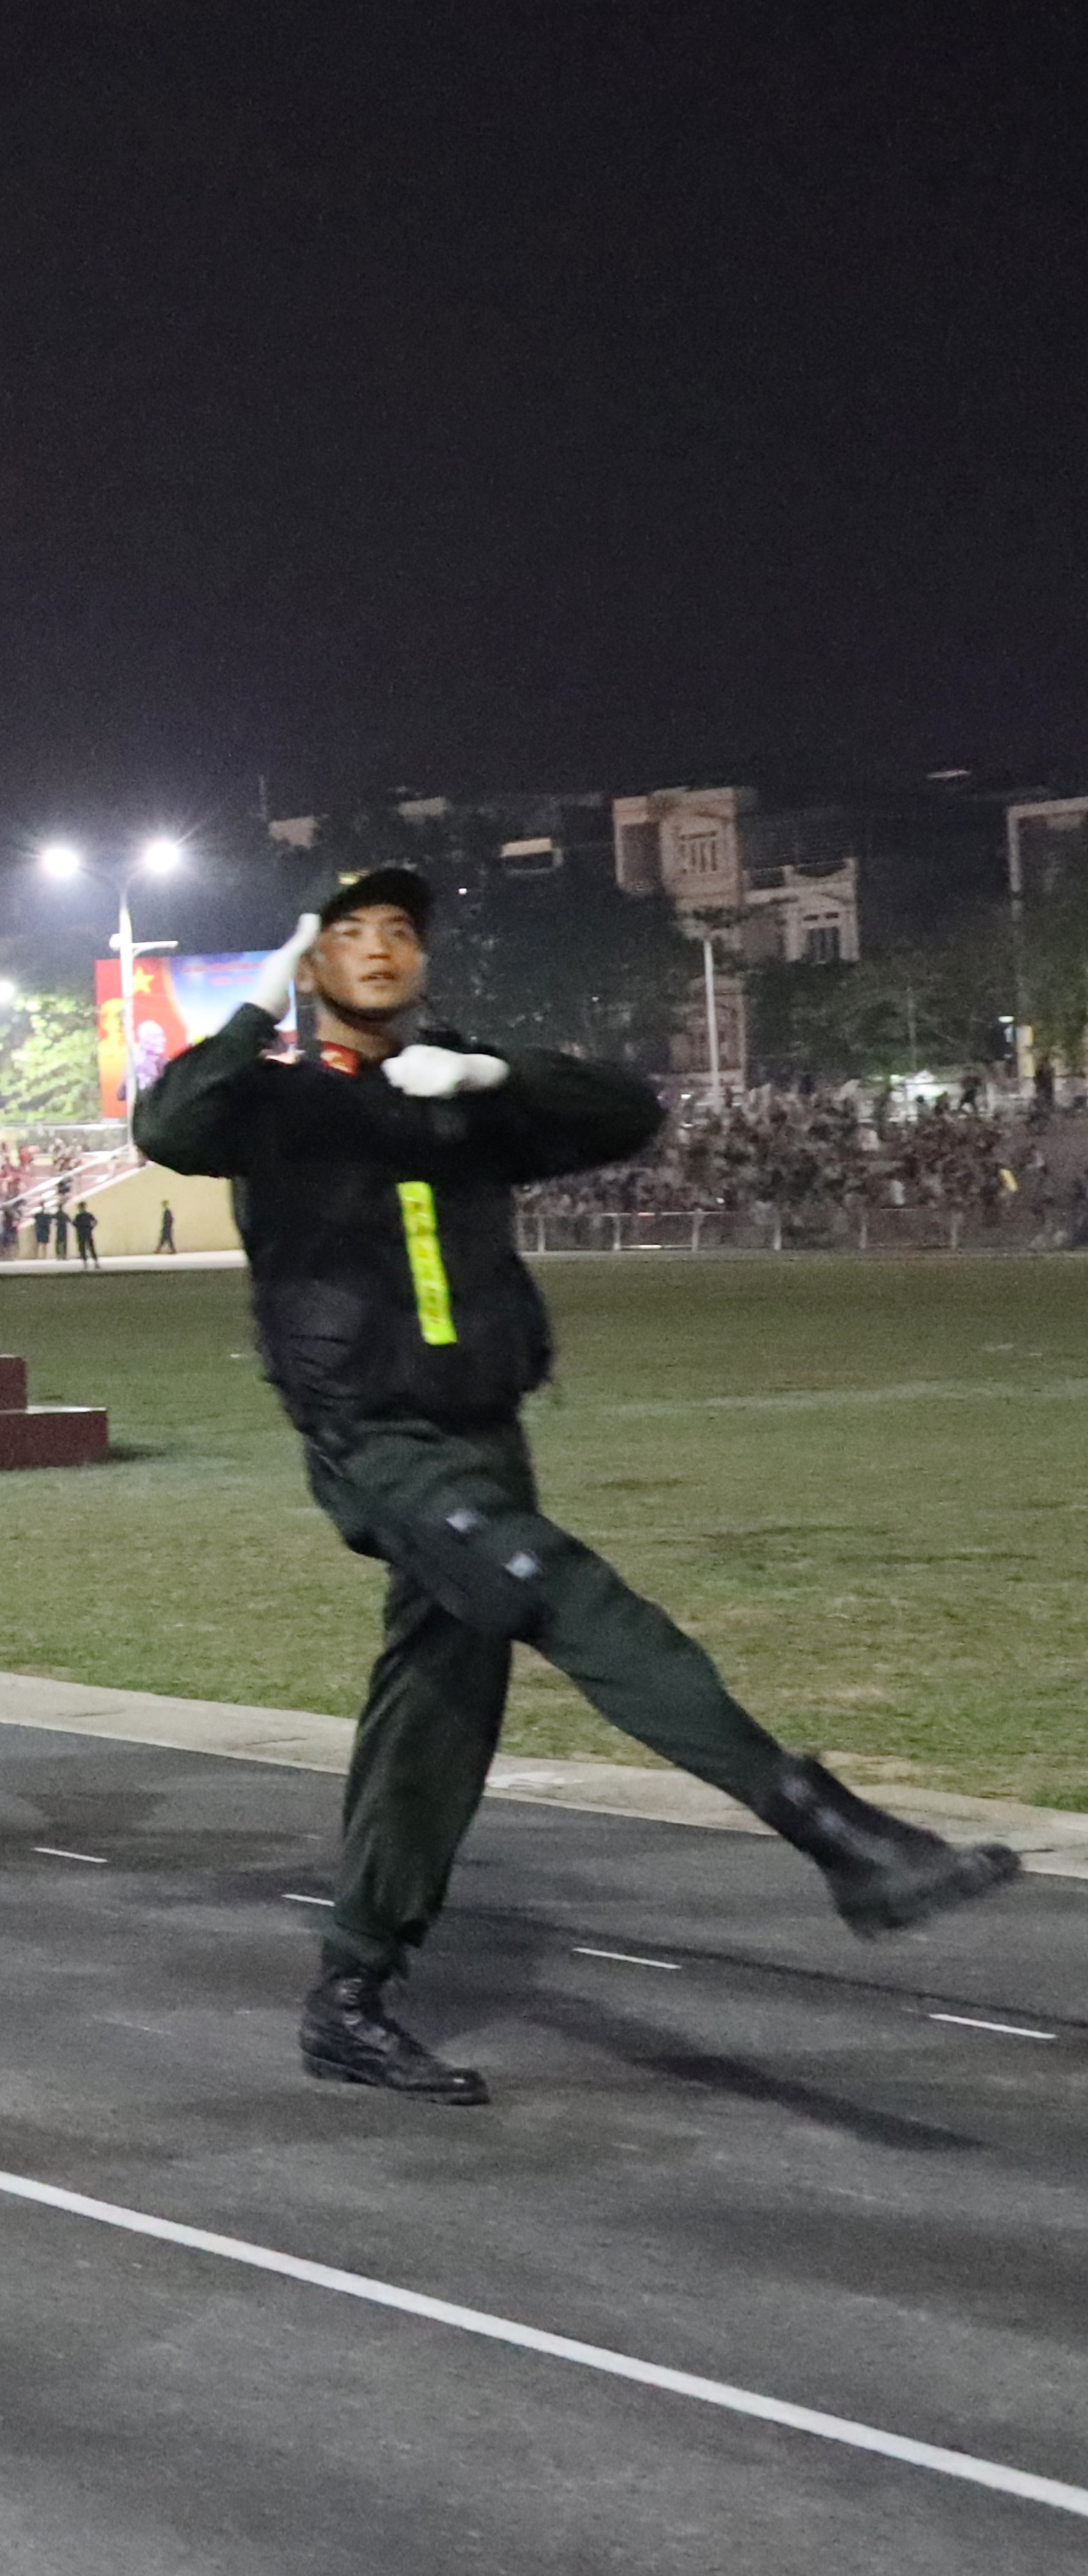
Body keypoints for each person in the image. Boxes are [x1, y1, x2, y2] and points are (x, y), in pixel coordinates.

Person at [134, 869, 1019, 2106]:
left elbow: (625, 1115)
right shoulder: (276, 1105)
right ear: (313, 964)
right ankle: (834, 1833)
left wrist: (493, 1074)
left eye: (401, 932)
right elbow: (168, 1127)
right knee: (567, 1594)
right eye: (350, 934)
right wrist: (248, 1013)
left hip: (486, 1430)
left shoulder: (455, 1095)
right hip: (374, 1438)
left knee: (438, 1709)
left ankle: (351, 1993)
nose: (381, 949)